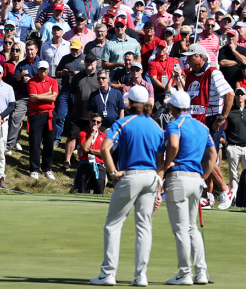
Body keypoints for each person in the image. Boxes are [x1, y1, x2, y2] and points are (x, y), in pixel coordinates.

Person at [90, 86, 164, 287]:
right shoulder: (157, 127)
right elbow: (160, 163)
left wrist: (112, 173)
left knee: (113, 225)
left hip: (130, 176)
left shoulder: (123, 122)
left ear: (129, 102)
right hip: (151, 179)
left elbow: (104, 148)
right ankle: (141, 276)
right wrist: (159, 192)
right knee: (144, 227)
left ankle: (108, 274)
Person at [160, 91, 215, 285]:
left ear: (173, 108)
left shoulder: (174, 124)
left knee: (181, 229)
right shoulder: (202, 126)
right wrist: (204, 177)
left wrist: (167, 164)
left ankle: (184, 274)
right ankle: (201, 273)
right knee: (192, 228)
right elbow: (213, 155)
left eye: (169, 106)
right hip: (196, 181)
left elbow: (173, 144)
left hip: (178, 178)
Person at [179, 43, 235, 210]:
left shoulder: (213, 73)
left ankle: (225, 190)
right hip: (195, 120)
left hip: (211, 120)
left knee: (207, 157)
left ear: (200, 57)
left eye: (191, 56)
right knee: (201, 158)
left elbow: (230, 94)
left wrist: (222, 118)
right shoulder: (190, 74)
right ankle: (206, 197)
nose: (187, 60)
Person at [27, 60, 58, 180]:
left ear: (48, 70)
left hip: (49, 114)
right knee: (35, 142)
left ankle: (47, 168)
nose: (43, 71)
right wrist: (48, 94)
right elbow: (33, 99)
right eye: (41, 69)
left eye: (45, 69)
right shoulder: (32, 81)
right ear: (37, 70)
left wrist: (41, 96)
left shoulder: (53, 81)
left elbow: (54, 97)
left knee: (49, 143)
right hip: (36, 115)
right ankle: (34, 169)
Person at [75, 112, 106, 194]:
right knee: (83, 192)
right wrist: (92, 134)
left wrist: (89, 150)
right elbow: (84, 147)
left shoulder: (104, 136)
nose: (95, 123)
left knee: (99, 192)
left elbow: (104, 152)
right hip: (85, 164)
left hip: (99, 165)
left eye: (98, 122)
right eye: (93, 121)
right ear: (90, 121)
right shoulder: (83, 133)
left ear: (100, 124)